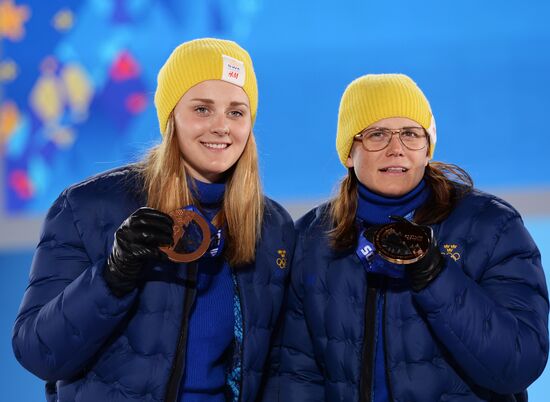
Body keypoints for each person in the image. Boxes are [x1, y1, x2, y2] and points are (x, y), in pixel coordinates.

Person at [12, 38, 294, 402]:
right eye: (203, 109)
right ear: (171, 117)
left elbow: (284, 366)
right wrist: (112, 276)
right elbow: (39, 353)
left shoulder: (272, 227)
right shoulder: (88, 207)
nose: (222, 126)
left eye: (236, 112)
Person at [265, 74, 549, 401]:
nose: (396, 149)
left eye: (411, 134)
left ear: (427, 149)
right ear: (348, 152)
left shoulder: (491, 227)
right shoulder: (313, 239)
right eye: (377, 134)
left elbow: (518, 364)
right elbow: (296, 375)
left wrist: (434, 274)